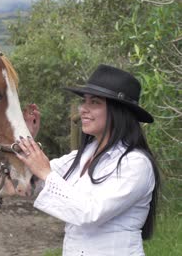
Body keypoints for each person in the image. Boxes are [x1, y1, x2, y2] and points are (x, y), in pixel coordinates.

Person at [18, 64, 160, 255]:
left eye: (94, 102)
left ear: (119, 111)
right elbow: (28, 180)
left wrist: (45, 172)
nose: (83, 109)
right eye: (84, 101)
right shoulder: (80, 156)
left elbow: (91, 212)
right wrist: (26, 137)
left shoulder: (136, 164)